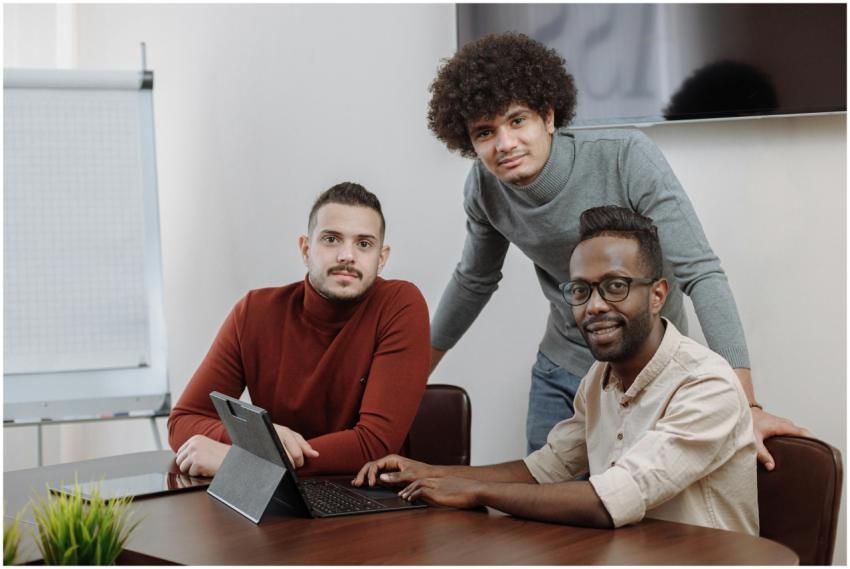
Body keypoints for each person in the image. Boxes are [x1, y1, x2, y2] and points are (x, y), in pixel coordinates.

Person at [425, 32, 807, 464]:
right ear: (469, 142)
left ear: (548, 116)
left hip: (648, 365)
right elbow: (473, 281)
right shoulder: (483, 189)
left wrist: (747, 406)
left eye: (517, 121)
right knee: (537, 515)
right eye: (485, 132)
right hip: (563, 366)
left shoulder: (625, 155)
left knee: (637, 515)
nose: (505, 144)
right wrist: (413, 376)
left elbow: (701, 272)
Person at [354, 206, 758, 534]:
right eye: (581, 290)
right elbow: (544, 470)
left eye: (615, 286)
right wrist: (432, 473)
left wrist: (474, 491)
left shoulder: (706, 383)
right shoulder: (599, 380)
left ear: (657, 295)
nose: (594, 305)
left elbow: (610, 499)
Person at [168, 182, 430, 477]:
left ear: (381, 259)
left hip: (368, 501)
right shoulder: (254, 312)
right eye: (331, 239)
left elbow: (374, 445)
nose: (347, 255)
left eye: (364, 244)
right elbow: (184, 420)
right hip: (276, 502)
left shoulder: (400, 304)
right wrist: (263, 441)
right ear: (306, 249)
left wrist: (249, 460)